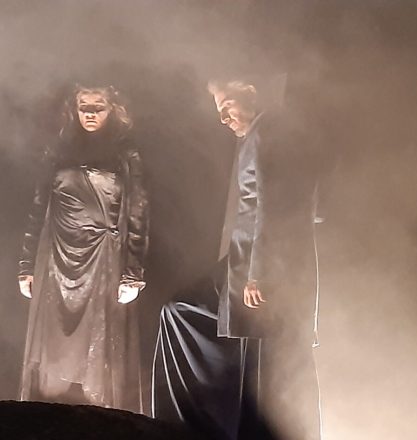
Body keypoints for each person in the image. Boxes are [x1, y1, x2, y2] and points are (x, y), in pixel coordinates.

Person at [152, 78, 321, 439]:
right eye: (219, 110)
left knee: (260, 352)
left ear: (250, 91)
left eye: (227, 105)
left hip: (258, 264)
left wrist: (258, 273)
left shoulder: (264, 135)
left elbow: (269, 206)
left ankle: (212, 425)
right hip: (246, 262)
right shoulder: (262, 135)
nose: (223, 119)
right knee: (185, 312)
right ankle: (207, 423)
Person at [17, 85, 149, 414]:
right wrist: (26, 263)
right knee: (53, 340)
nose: (90, 112)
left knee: (97, 338)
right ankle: (47, 414)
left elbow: (138, 209)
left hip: (104, 254)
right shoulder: (59, 149)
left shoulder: (125, 152)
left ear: (112, 108)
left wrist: (133, 271)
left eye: (98, 106)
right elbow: (38, 205)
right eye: (83, 105)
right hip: (58, 254)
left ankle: (97, 417)